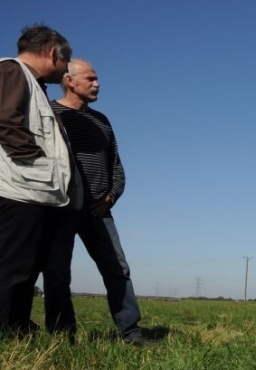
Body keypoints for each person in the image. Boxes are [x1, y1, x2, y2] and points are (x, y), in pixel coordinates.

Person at [43, 58, 151, 344]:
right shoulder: (49, 113)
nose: (97, 83)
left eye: (96, 78)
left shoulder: (101, 120)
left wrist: (111, 196)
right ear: (70, 81)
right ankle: (62, 337)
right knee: (56, 272)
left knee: (117, 269)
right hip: (61, 208)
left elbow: (115, 164)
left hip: (98, 210)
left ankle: (130, 332)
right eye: (90, 78)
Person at [0, 25, 76, 335]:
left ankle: (17, 326)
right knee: (13, 269)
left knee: (26, 269)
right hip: (19, 189)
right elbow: (5, 119)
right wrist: (36, 159)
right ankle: (5, 330)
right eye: (65, 59)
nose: (66, 67)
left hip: (34, 191)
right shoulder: (12, 70)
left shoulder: (33, 83)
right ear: (52, 52)